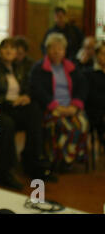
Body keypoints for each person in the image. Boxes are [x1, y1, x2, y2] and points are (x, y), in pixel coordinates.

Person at [0, 38, 54, 189]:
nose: (9, 51)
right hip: (0, 109)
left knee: (35, 111)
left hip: (17, 107)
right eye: (5, 48)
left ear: (17, 53)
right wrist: (8, 101)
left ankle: (33, 163)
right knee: (7, 124)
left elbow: (29, 87)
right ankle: (6, 172)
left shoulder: (20, 68)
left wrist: (26, 96)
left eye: (12, 48)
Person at [31, 33, 89, 172]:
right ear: (47, 49)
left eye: (60, 49)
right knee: (64, 127)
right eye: (53, 48)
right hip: (52, 108)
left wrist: (75, 105)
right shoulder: (39, 68)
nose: (57, 52)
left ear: (65, 51)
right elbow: (37, 90)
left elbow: (82, 86)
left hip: (71, 106)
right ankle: (58, 159)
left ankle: (69, 157)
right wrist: (55, 107)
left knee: (82, 124)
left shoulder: (71, 67)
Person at [85, 41, 105, 147]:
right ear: (97, 55)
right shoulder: (89, 73)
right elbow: (90, 97)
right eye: (103, 53)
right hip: (96, 111)